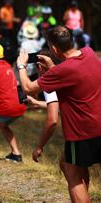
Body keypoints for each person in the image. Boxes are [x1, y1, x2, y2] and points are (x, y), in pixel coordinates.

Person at [17, 26, 101, 202]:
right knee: (71, 164)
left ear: (54, 48)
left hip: (82, 132)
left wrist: (21, 65)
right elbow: (75, 77)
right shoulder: (89, 53)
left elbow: (28, 88)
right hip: (98, 125)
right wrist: (53, 68)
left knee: (71, 172)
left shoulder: (61, 71)